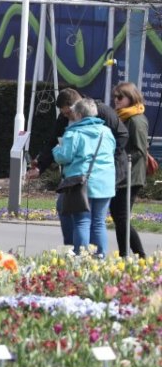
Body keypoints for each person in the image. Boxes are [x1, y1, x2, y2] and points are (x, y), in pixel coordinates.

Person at [28, 88, 128, 197]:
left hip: (106, 174)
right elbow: (54, 142)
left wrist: (108, 156)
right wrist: (40, 166)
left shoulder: (102, 111)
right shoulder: (63, 119)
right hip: (78, 177)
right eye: (64, 114)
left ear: (76, 105)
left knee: (110, 211)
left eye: (68, 112)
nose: (68, 116)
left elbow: (122, 135)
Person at [52, 97, 115, 256]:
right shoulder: (106, 132)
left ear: (79, 114)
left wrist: (56, 150)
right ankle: (100, 256)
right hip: (105, 183)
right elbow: (112, 151)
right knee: (99, 223)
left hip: (81, 182)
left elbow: (64, 157)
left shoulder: (73, 133)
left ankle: (82, 257)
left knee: (82, 221)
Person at [111, 81, 148, 258]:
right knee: (119, 216)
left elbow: (140, 149)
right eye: (115, 97)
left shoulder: (135, 119)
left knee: (121, 216)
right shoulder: (122, 117)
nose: (116, 100)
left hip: (131, 175)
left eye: (120, 97)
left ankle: (140, 255)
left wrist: (120, 157)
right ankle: (124, 255)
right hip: (121, 174)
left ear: (131, 97)